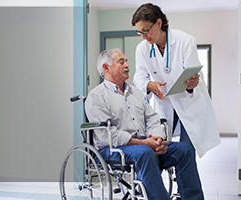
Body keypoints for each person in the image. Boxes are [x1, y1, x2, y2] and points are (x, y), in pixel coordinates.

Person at [85, 48, 203, 200]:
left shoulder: (136, 93)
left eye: (126, 61)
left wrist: (157, 139)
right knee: (145, 153)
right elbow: (106, 135)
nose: (127, 65)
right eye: (121, 62)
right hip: (113, 149)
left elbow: (152, 118)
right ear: (106, 68)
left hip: (144, 146)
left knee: (184, 149)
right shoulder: (96, 97)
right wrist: (143, 143)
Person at [132, 3, 221, 199]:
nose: (144, 36)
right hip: (165, 105)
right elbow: (139, 77)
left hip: (190, 104)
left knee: (187, 152)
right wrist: (148, 84)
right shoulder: (142, 49)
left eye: (146, 30)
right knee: (163, 149)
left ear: (159, 22)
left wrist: (191, 84)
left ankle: (185, 192)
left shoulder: (184, 40)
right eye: (140, 33)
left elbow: (192, 74)